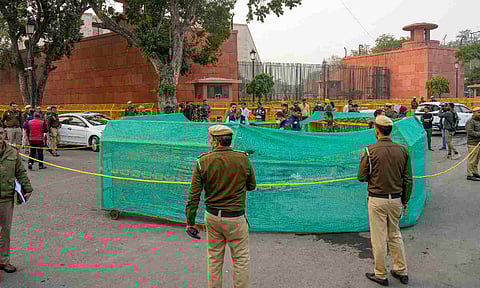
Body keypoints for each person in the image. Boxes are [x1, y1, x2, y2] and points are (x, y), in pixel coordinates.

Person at [185, 125, 256, 288]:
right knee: (241, 259)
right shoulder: (243, 159)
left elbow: (193, 196)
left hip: (213, 217)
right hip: (236, 217)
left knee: (214, 259)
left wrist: (190, 222)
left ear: (215, 141)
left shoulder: (203, 162)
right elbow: (252, 185)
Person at [358, 115, 412, 286]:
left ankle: (380, 274)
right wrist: (405, 200)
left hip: (377, 199)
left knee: (379, 237)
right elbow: (408, 179)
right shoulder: (403, 150)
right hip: (396, 199)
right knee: (395, 234)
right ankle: (401, 270)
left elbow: (361, 176)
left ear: (377, 130)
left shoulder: (370, 150)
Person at [0, 129, 33, 273]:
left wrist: (27, 187)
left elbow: (20, 171)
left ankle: (4, 261)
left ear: (4, 135)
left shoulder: (12, 152)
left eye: (0, 133)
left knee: (5, 232)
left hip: (6, 198)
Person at [465, 107, 480, 181]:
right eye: (478, 112)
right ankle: (469, 174)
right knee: (472, 159)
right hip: (472, 143)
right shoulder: (470, 121)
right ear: (474, 113)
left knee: (476, 159)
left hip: (478, 143)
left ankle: (475, 172)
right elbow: (470, 132)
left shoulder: (479, 120)